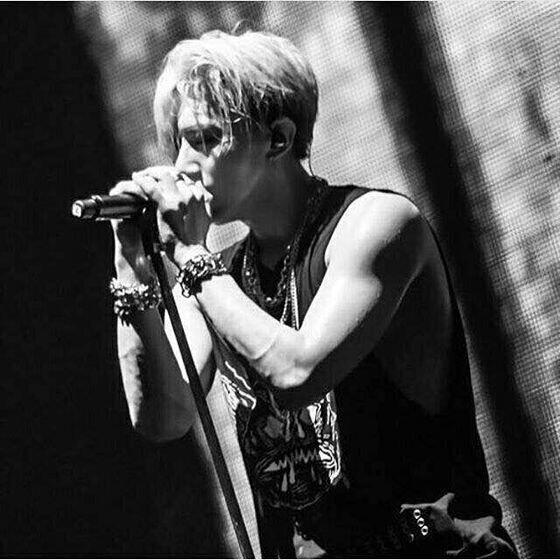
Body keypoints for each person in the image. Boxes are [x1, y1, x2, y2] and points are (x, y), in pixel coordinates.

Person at [109, 29, 517, 558]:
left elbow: (298, 373)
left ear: (278, 139)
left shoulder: (376, 224)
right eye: (179, 143)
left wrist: (188, 254)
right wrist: (133, 273)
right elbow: (164, 417)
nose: (184, 163)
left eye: (206, 139)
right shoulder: (218, 275)